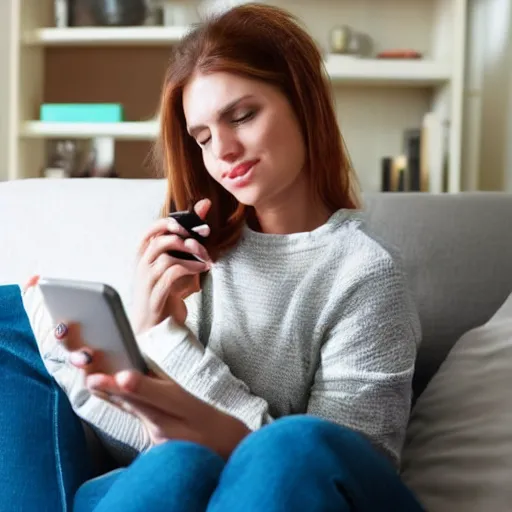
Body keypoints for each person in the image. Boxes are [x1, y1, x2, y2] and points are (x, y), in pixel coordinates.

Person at [8, 3, 425, 511]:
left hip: (306, 486)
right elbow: (149, 448)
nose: (222, 150)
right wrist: (125, 353)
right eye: (202, 137)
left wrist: (168, 342)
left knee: (288, 444)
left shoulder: (363, 271)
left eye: (243, 115)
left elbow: (333, 468)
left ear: (303, 101)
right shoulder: (194, 255)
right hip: (185, 482)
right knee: (16, 318)